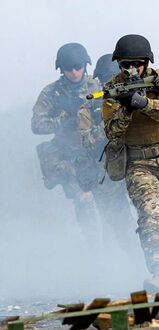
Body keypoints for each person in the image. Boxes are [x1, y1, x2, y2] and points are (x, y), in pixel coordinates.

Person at [102, 34, 159, 291]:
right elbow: (112, 132)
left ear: (146, 62)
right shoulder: (113, 89)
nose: (131, 70)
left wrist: (143, 103)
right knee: (149, 214)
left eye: (136, 64)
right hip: (137, 163)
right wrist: (126, 109)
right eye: (125, 65)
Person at [31, 42, 101, 243]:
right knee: (84, 200)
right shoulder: (51, 93)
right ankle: (95, 247)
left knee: (109, 200)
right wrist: (63, 120)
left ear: (85, 65)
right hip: (66, 156)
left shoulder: (96, 88)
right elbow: (36, 125)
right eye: (69, 68)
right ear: (61, 69)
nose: (74, 72)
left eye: (78, 67)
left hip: (94, 153)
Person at [77, 53, 137, 253]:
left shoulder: (138, 97)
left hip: (140, 165)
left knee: (151, 215)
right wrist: (108, 123)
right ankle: (129, 263)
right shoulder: (91, 107)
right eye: (107, 80)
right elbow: (87, 142)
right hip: (110, 171)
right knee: (118, 224)